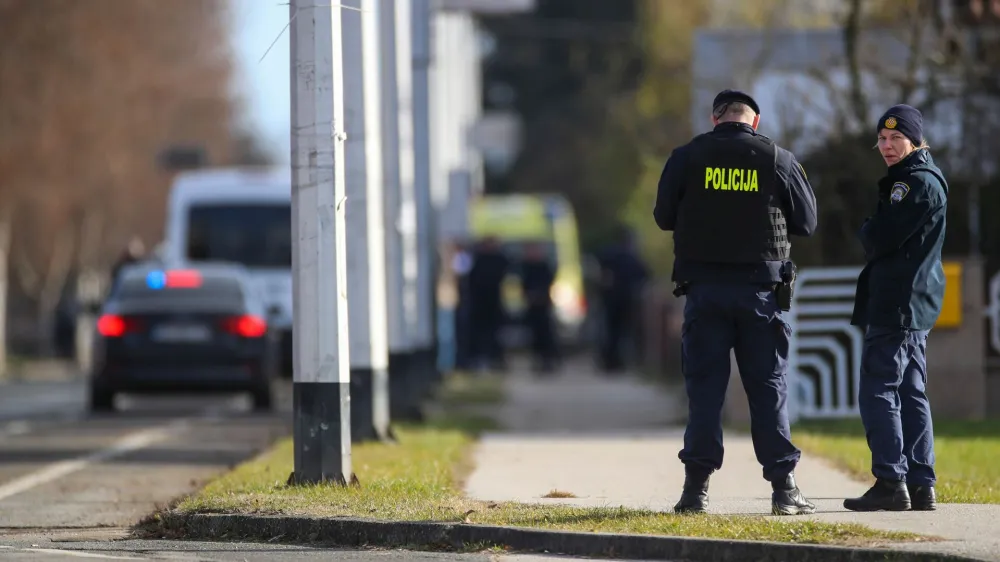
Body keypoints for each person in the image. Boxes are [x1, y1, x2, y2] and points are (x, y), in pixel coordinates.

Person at [653, 89, 818, 515]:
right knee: (768, 390)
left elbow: (663, 217)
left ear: (715, 118)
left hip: (705, 292)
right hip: (760, 297)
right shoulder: (777, 158)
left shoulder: (686, 157)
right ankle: (784, 491)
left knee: (705, 393)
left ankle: (695, 493)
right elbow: (807, 221)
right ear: (755, 122)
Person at [844, 104, 947, 513]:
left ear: (915, 140)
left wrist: (868, 228)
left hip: (897, 305)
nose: (886, 146)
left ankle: (890, 480)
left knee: (878, 388)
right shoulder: (919, 178)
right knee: (911, 390)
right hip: (912, 303)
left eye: (895, 139)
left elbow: (881, 237)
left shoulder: (913, 183)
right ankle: (921, 485)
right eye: (882, 140)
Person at [597, 226, 649, 373]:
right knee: (622, 331)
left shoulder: (608, 253)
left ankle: (609, 361)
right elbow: (644, 275)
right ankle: (617, 361)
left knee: (610, 331)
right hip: (625, 300)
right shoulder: (630, 257)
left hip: (609, 299)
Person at [467, 236, 510, 371]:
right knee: (481, 333)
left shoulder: (498, 260)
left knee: (495, 333)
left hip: (493, 303)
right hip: (480, 304)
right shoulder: (478, 260)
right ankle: (482, 358)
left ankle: (494, 359)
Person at [519, 241, 557, 373]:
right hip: (532, 305)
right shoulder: (526, 267)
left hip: (543, 304)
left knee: (546, 333)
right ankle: (538, 359)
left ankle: (548, 359)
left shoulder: (544, 266)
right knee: (534, 334)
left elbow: (549, 281)